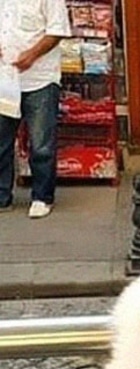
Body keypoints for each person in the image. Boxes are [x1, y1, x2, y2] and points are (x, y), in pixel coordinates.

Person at [0, 0, 71, 218]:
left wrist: (31, 55)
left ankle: (42, 197)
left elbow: (57, 30)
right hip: (5, 79)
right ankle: (2, 196)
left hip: (40, 79)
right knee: (1, 142)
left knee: (41, 144)